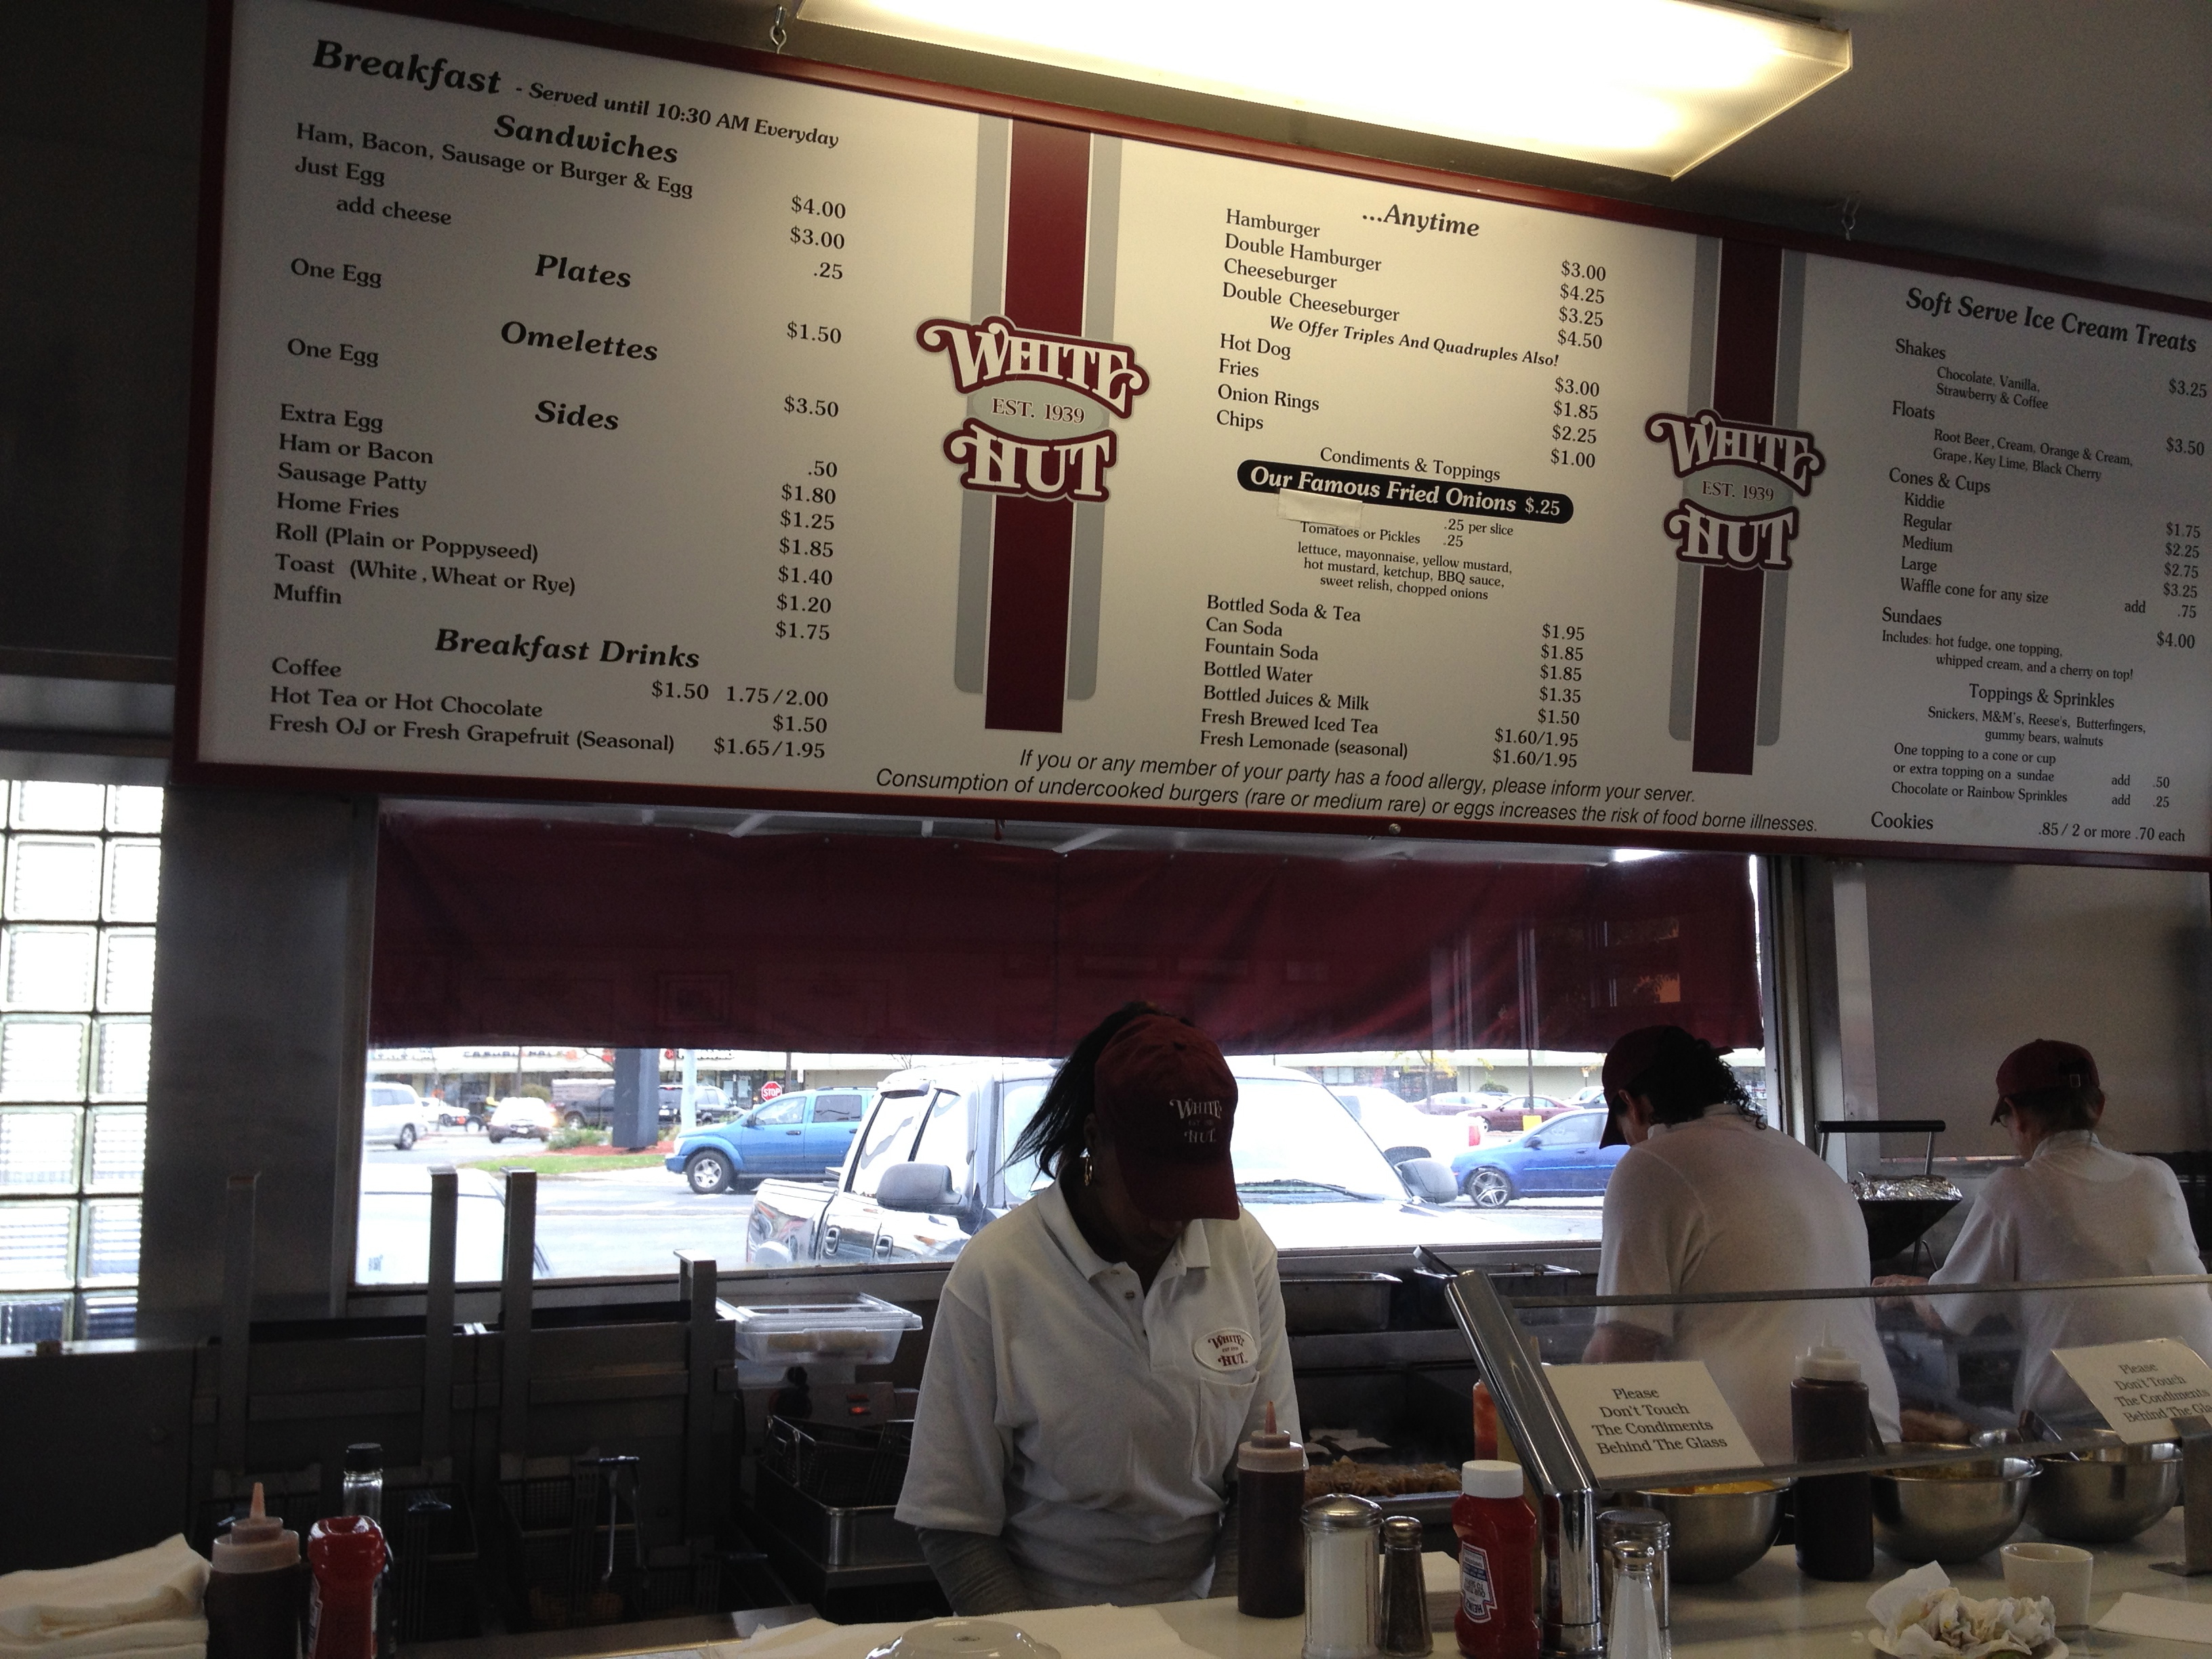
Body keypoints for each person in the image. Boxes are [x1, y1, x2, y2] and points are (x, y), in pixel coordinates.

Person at [895, 1004, 1296, 1611]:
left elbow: (1265, 1483)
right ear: (1093, 1141)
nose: (1172, 1219)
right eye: (1153, 1191)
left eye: (1193, 1193)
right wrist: (1040, 1648)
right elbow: (952, 1524)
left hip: (1200, 1622)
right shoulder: (997, 1275)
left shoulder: (1243, 1251)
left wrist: (1222, 1632)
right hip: (1043, 1625)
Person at [1583, 1025, 1900, 1463]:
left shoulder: (1649, 1165)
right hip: (1874, 1444)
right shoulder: (1802, 1157)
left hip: (1752, 1461)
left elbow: (1619, 1353)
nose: (1629, 1145)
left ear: (1631, 1104)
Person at [1886, 1039, 2212, 1421]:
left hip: (2080, 1423)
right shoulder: (2158, 1176)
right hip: (2195, 1404)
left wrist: (1906, 1290)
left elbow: (1946, 1314)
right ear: (2098, 1108)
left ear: (2016, 1115)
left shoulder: (2014, 1189)